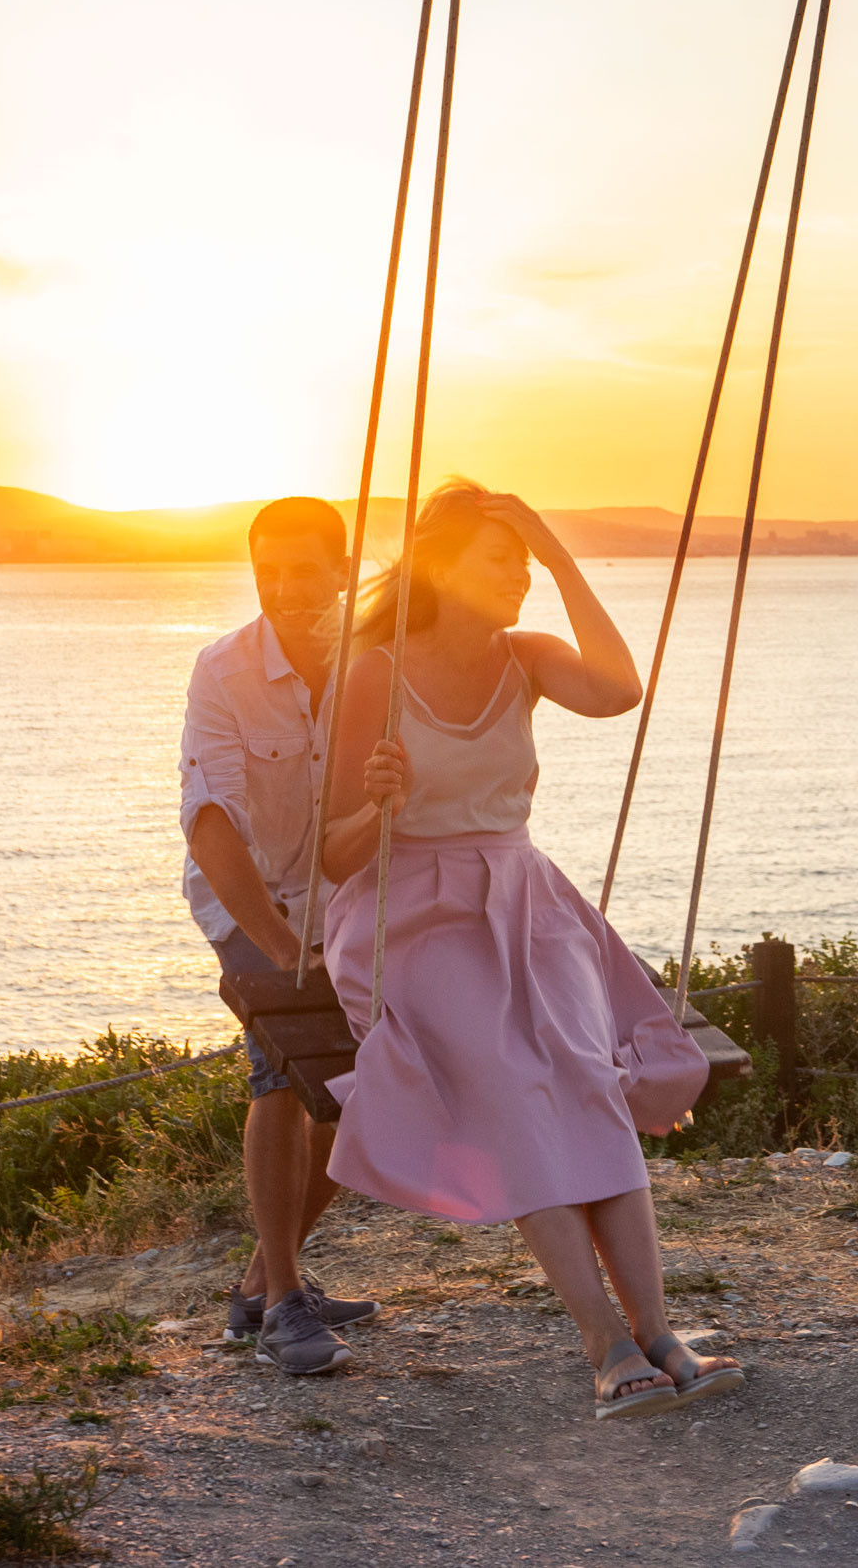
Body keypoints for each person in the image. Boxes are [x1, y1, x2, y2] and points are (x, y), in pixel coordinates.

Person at [317, 478, 747, 1420]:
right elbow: (333, 853)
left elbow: (622, 688)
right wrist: (377, 803)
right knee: (512, 1082)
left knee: (588, 1075)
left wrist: (556, 551)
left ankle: (662, 1332)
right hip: (409, 912)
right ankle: (603, 1341)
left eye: (524, 562)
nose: (517, 577)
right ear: (444, 567)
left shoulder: (529, 658)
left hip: (524, 897)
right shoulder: (374, 674)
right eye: (500, 559)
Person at [179, 495, 403, 1375]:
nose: (282, 586)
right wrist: (277, 946)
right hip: (251, 900)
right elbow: (211, 824)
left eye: (304, 567)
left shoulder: (373, 662)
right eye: (267, 569)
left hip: (345, 896)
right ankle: (280, 1309)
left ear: (342, 568)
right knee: (280, 1071)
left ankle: (261, 1282)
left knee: (357, 1090)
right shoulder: (223, 670)